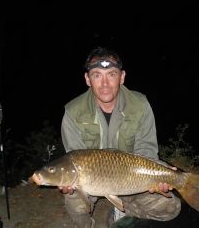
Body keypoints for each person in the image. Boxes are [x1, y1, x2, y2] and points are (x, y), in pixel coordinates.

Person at [60, 47, 181, 228]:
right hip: (90, 183)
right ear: (87, 79)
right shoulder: (73, 112)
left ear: (122, 77)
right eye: (97, 75)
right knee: (74, 203)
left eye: (112, 74)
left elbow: (146, 150)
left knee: (170, 208)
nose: (105, 83)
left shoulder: (140, 105)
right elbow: (73, 160)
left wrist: (158, 176)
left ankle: (123, 211)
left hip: (132, 179)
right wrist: (67, 181)